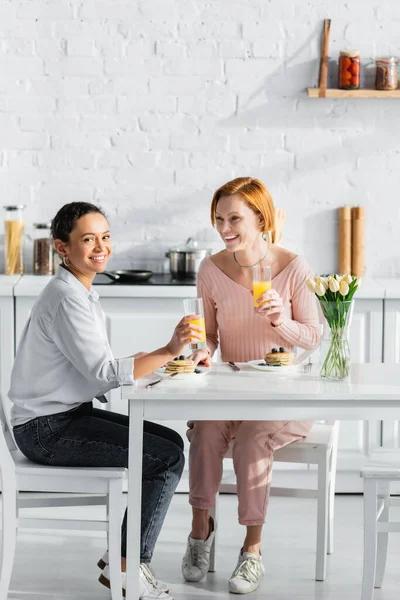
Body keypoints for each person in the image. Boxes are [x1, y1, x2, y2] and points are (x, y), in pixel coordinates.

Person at [9, 201, 203, 600]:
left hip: (62, 418)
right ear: (62, 247)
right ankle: (129, 567)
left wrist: (172, 362)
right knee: (165, 459)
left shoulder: (79, 292)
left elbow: (100, 372)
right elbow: (105, 374)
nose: (101, 247)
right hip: (47, 430)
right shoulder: (67, 299)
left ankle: (122, 556)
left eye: (106, 236)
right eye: (88, 239)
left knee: (170, 446)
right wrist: (169, 349)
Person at [181, 177, 320, 595]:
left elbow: (313, 337)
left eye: (234, 218)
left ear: (261, 218)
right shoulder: (210, 268)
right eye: (219, 219)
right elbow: (209, 336)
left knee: (252, 437)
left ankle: (252, 550)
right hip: (230, 389)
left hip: (284, 395)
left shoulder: (293, 267)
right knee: (205, 431)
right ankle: (200, 533)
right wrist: (199, 350)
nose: (224, 228)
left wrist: (281, 321)